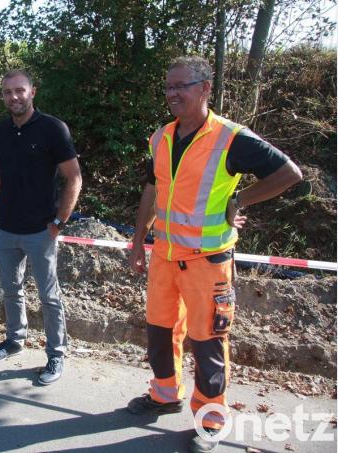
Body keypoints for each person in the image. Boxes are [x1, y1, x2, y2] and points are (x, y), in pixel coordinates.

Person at [126, 56, 302, 453]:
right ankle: (164, 393)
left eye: (182, 86)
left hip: (208, 262)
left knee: (207, 343)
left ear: (205, 88)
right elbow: (152, 190)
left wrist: (240, 201)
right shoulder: (161, 137)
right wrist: (138, 240)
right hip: (164, 257)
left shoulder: (230, 137)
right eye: (169, 87)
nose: (173, 94)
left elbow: (289, 173)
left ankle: (210, 420)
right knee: (159, 330)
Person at [0, 69, 82, 385]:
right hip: (5, 228)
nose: (13, 97)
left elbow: (74, 177)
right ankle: (14, 339)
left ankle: (56, 354)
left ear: (33, 92)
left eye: (19, 90)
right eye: (7, 92)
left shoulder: (53, 129)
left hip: (41, 230)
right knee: (11, 289)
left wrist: (60, 220)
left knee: (48, 296)